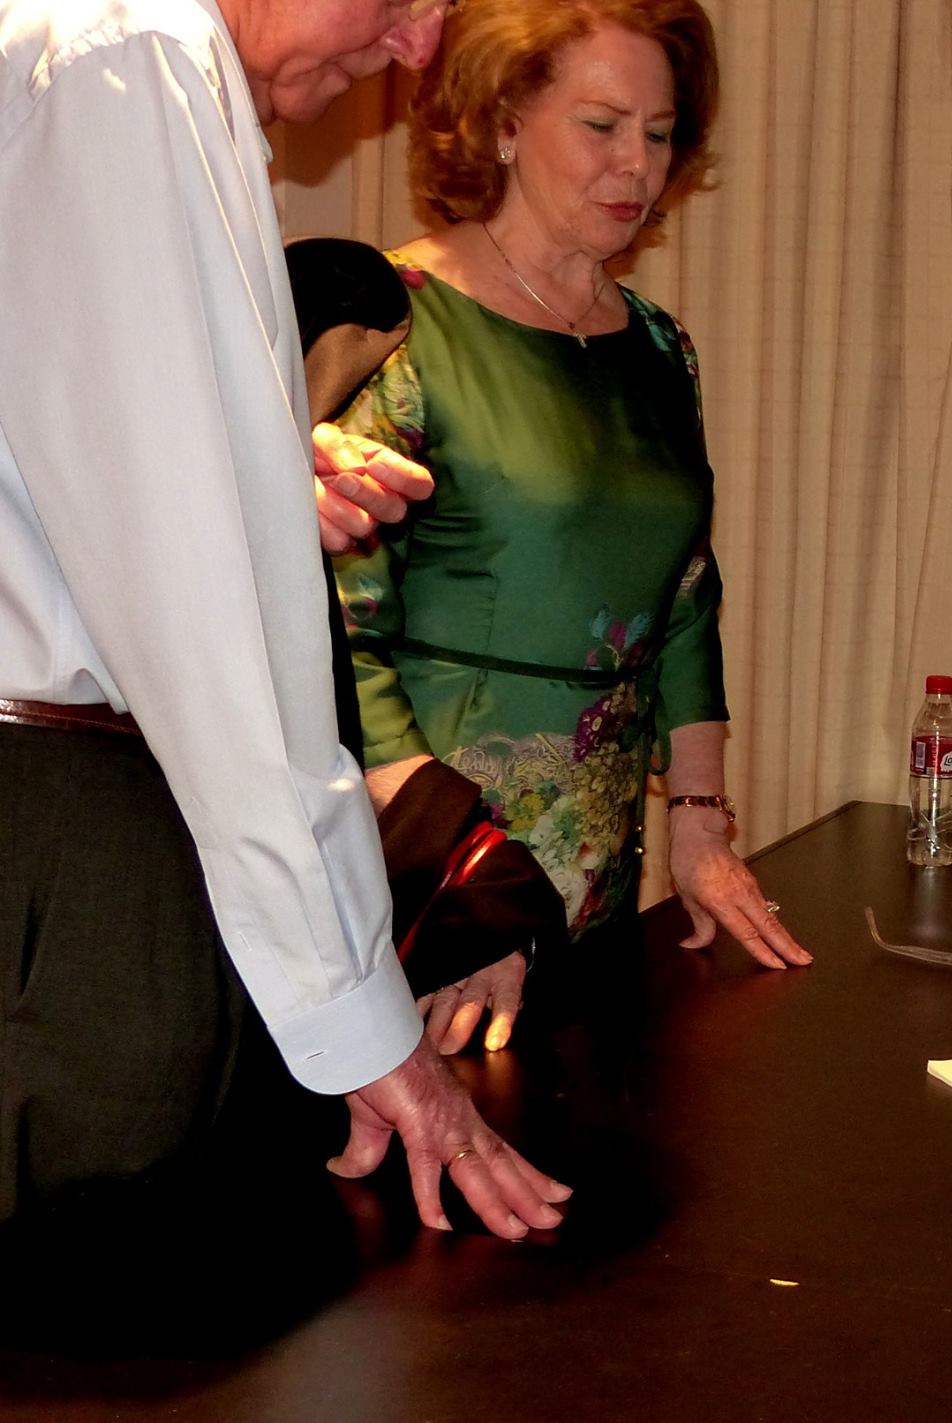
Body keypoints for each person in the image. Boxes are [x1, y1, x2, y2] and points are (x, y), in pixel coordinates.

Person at [0, 0, 570, 1240]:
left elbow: (70, 454)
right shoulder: (130, 59)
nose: (420, 48)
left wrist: (256, 479)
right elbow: (210, 639)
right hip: (55, 829)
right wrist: (363, 1023)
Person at [331, 0, 808, 1058]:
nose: (637, 165)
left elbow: (684, 593)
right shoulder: (395, 324)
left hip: (594, 880)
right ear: (502, 120)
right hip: (423, 878)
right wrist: (463, 894)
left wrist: (698, 819)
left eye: (659, 133)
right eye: (601, 126)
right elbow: (336, 642)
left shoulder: (659, 348)